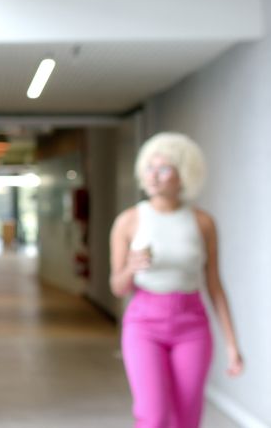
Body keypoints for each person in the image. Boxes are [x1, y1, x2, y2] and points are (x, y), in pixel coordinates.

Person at [109, 132, 244, 428]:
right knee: (153, 415)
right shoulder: (129, 221)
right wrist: (131, 268)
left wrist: (232, 345)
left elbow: (215, 286)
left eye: (164, 168)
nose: (154, 176)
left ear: (184, 175)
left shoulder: (202, 222)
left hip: (191, 324)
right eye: (149, 168)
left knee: (187, 416)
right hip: (144, 323)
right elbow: (118, 287)